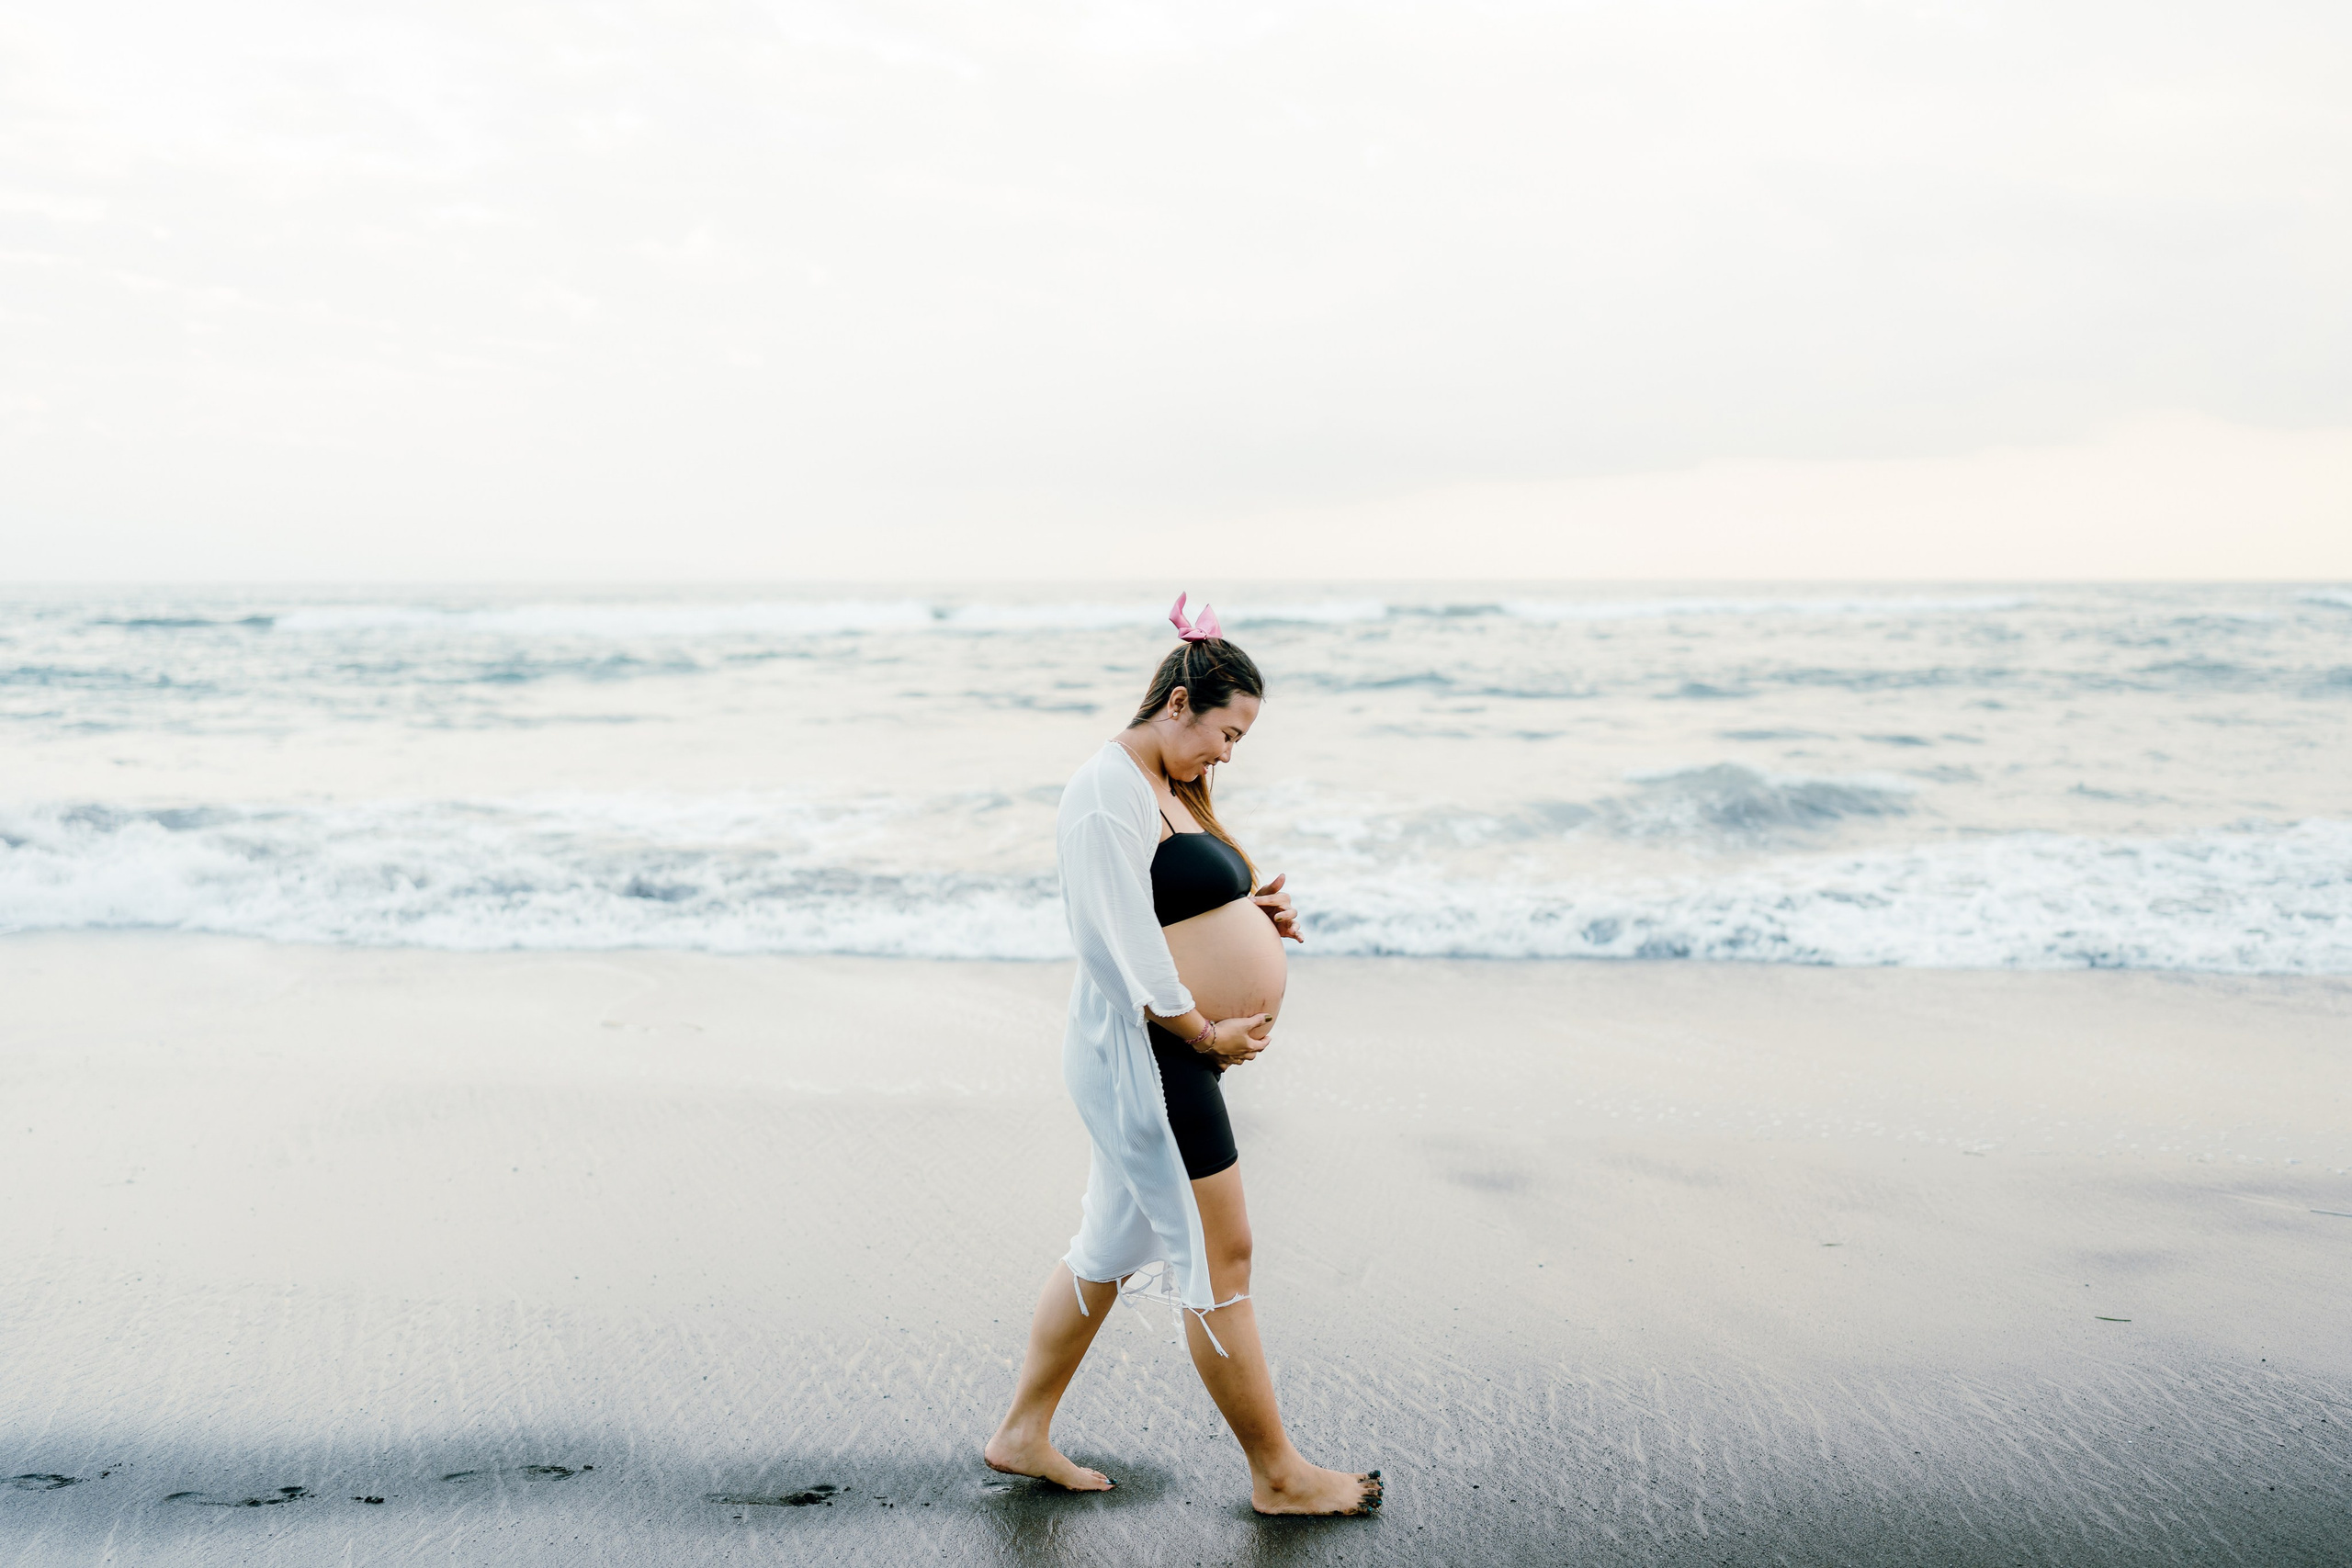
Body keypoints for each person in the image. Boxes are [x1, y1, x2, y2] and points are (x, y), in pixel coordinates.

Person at [982, 593, 1383, 1517]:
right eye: (1227, 731)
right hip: (1147, 1059)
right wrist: (1203, 1028)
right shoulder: (1104, 790)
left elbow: (1166, 902)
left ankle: (1020, 1433)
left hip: (1169, 1059)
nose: (1228, 753)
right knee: (1221, 1258)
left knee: (1107, 1247)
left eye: (1242, 740)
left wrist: (1250, 915)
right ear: (1177, 703)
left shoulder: (1160, 787)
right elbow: (1116, 939)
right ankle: (1277, 1474)